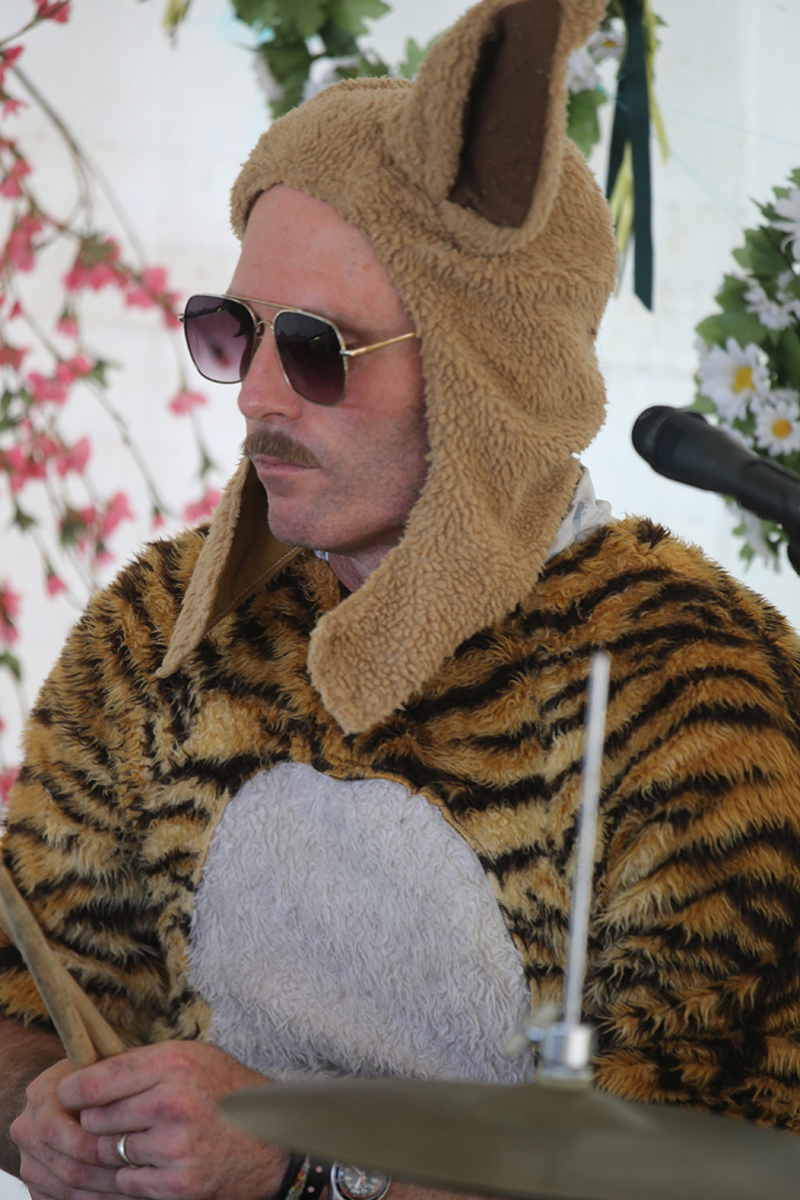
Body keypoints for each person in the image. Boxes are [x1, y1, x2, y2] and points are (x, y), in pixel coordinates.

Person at [4, 0, 800, 1197]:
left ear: (489, 374)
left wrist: (305, 1172)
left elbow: (712, 1156)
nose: (255, 393)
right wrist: (42, 1111)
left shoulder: (682, 681)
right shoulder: (156, 635)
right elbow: (27, 1004)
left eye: (314, 347)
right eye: (230, 332)